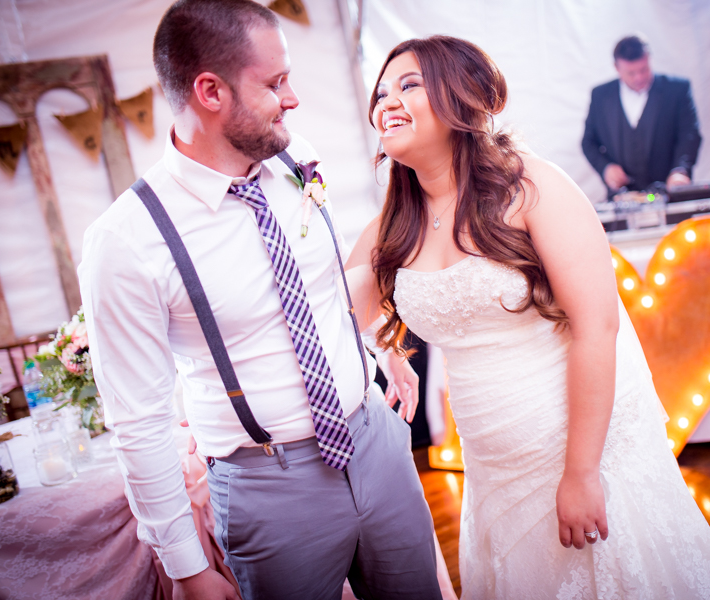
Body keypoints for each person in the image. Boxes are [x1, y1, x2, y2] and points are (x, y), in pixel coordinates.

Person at [346, 36, 710, 599]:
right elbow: (333, 314)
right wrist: (386, 349)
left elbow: (596, 327)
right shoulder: (393, 222)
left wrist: (582, 473)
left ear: (461, 96)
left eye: (409, 85)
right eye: (381, 91)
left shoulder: (530, 187)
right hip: (493, 470)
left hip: (575, 450)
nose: (386, 100)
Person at [78, 2, 443, 599]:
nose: (292, 98)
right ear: (210, 92)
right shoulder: (126, 241)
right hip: (270, 491)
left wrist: (379, 349)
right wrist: (188, 568)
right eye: (275, 84)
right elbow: (138, 422)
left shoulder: (296, 157)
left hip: (377, 443)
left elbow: (325, 287)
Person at [581, 35, 702, 198]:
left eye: (644, 69)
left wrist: (680, 170)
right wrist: (606, 168)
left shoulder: (677, 90)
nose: (639, 77)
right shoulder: (600, 96)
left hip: (669, 194)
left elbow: (689, 135)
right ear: (617, 67)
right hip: (622, 197)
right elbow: (588, 141)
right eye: (631, 73)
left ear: (649, 59)